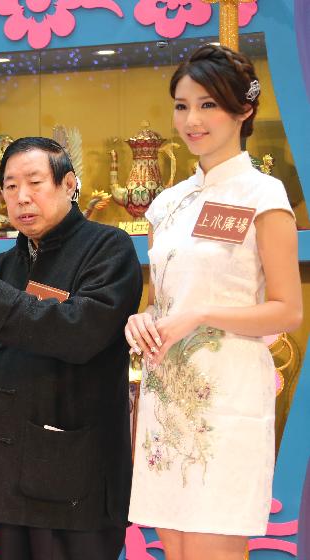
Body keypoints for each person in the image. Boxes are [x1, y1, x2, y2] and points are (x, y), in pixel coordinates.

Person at [126, 44, 301, 560]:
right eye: (182, 105)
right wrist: (142, 319)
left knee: (211, 547)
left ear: (243, 111)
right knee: (174, 546)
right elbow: (163, 300)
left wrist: (203, 315)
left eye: (208, 105)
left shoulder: (263, 195)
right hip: (166, 393)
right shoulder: (167, 203)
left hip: (226, 400)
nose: (191, 119)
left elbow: (288, 309)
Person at [0, 137, 142, 560]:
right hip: (7, 469)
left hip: (74, 472)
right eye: (10, 187)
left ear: (69, 184)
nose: (22, 198)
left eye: (34, 182)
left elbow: (80, 332)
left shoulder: (108, 248)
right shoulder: (4, 264)